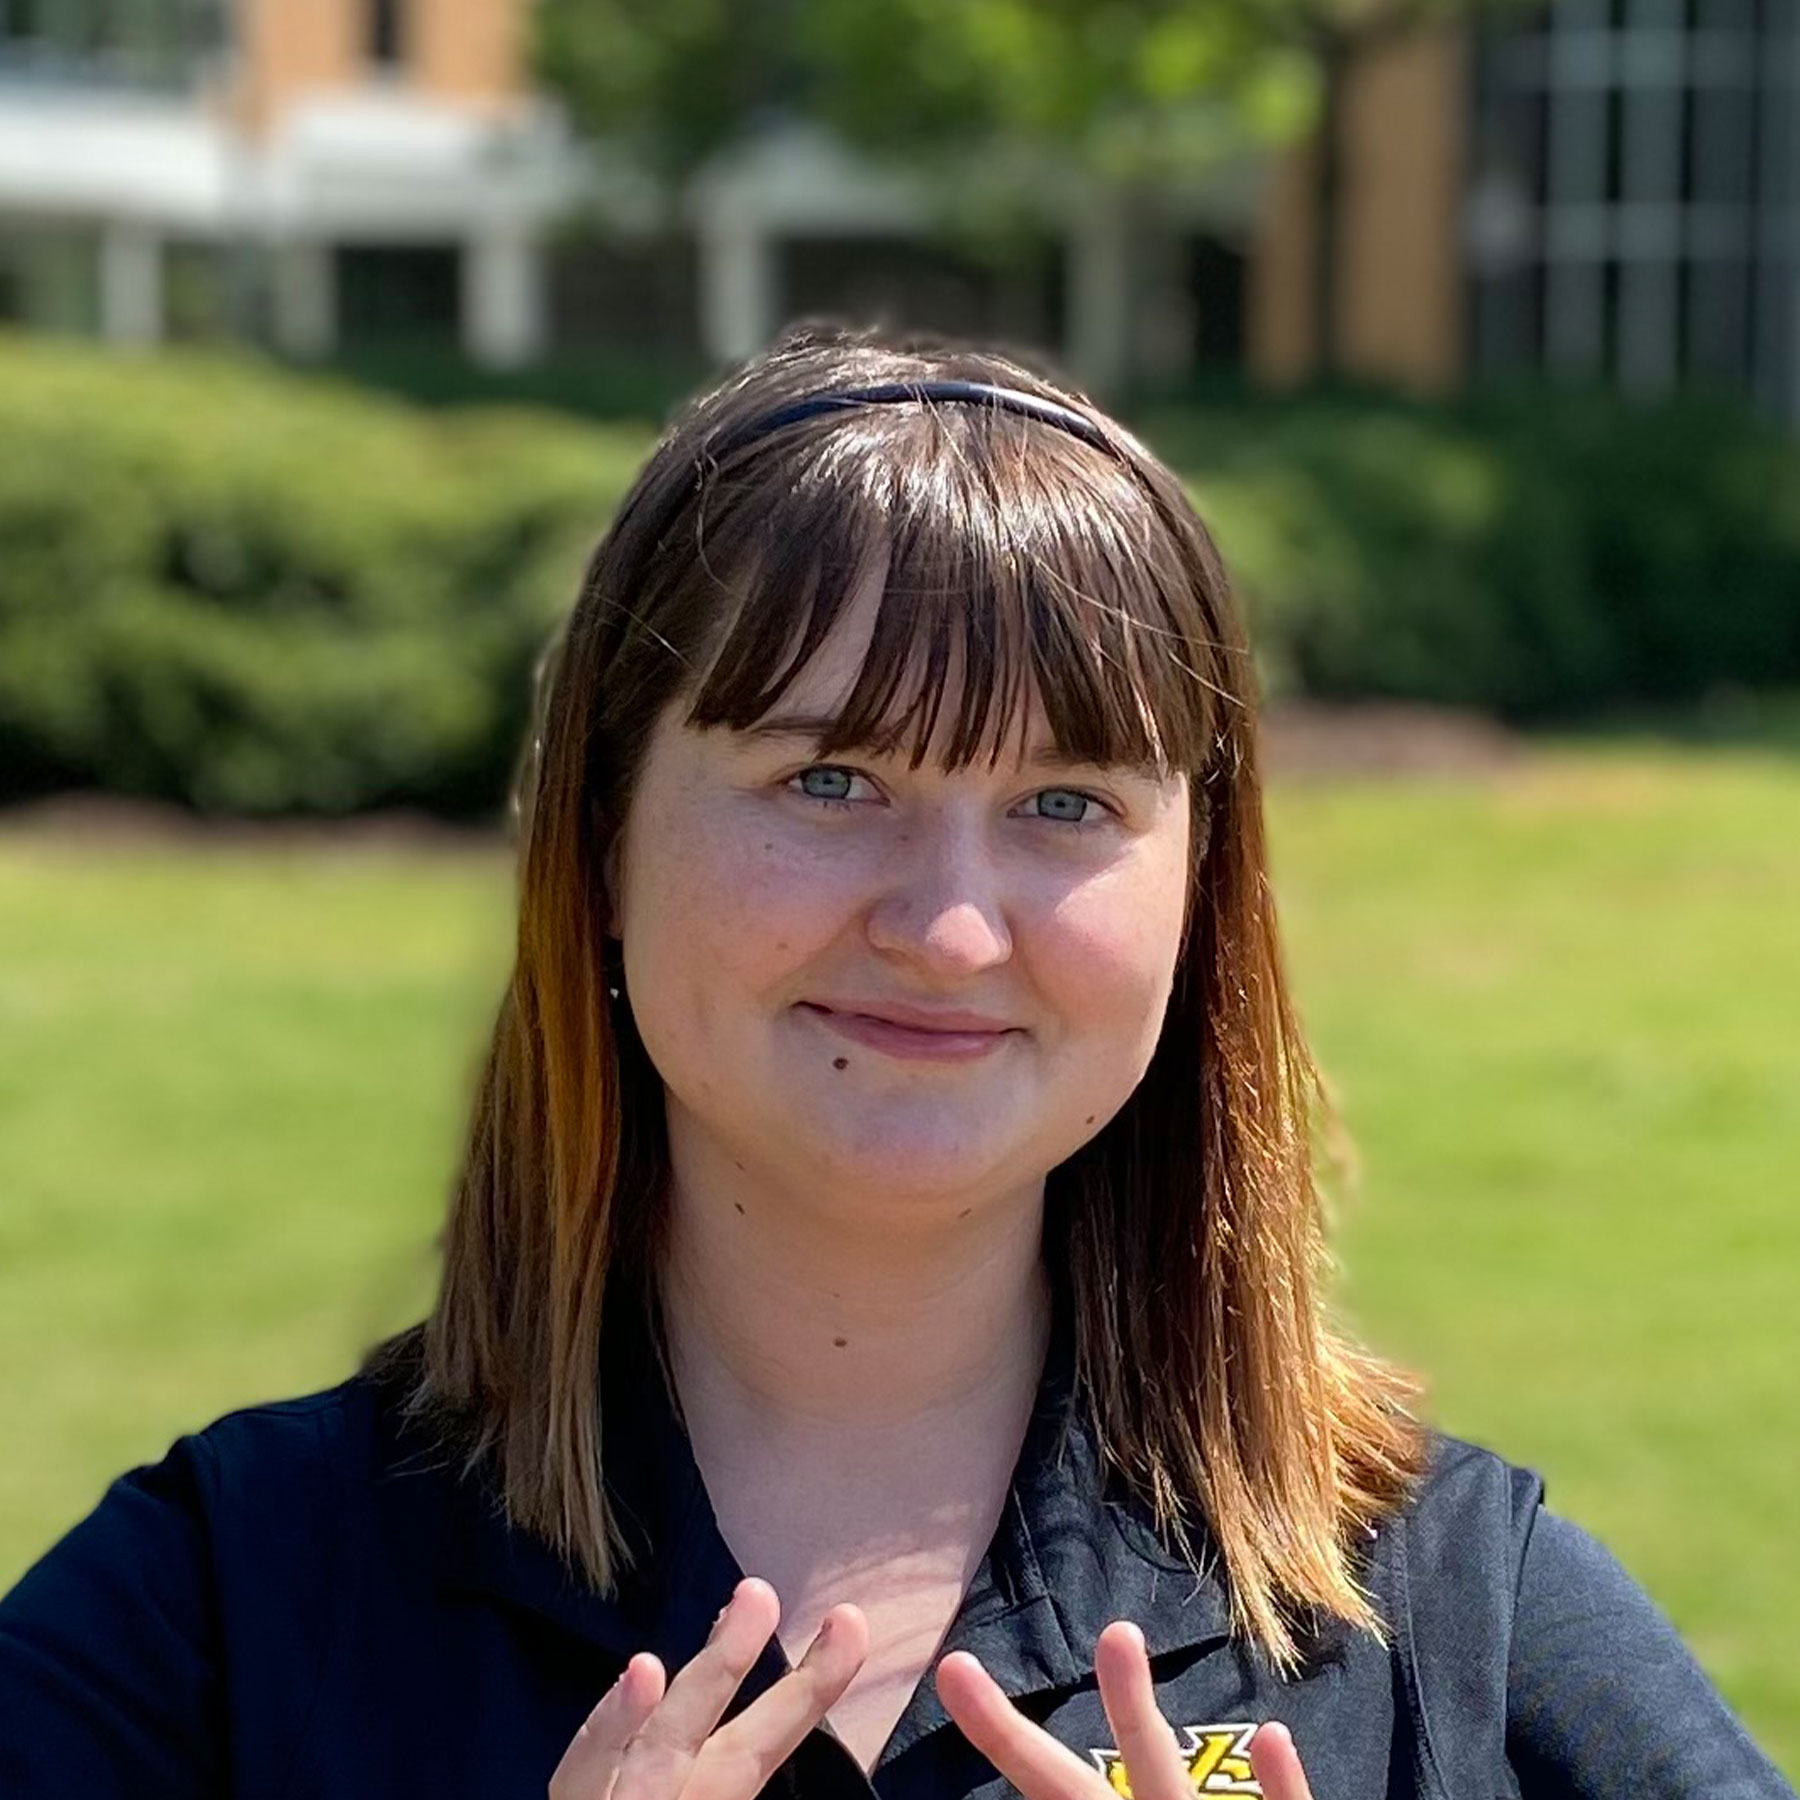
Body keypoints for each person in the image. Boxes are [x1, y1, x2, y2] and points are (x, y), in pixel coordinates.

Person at [0, 323, 1790, 1800]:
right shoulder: (229, 1603)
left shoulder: (1448, 1604)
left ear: (1201, 898)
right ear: (602, 844)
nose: (950, 929)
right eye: (829, 783)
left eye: (1067, 806)